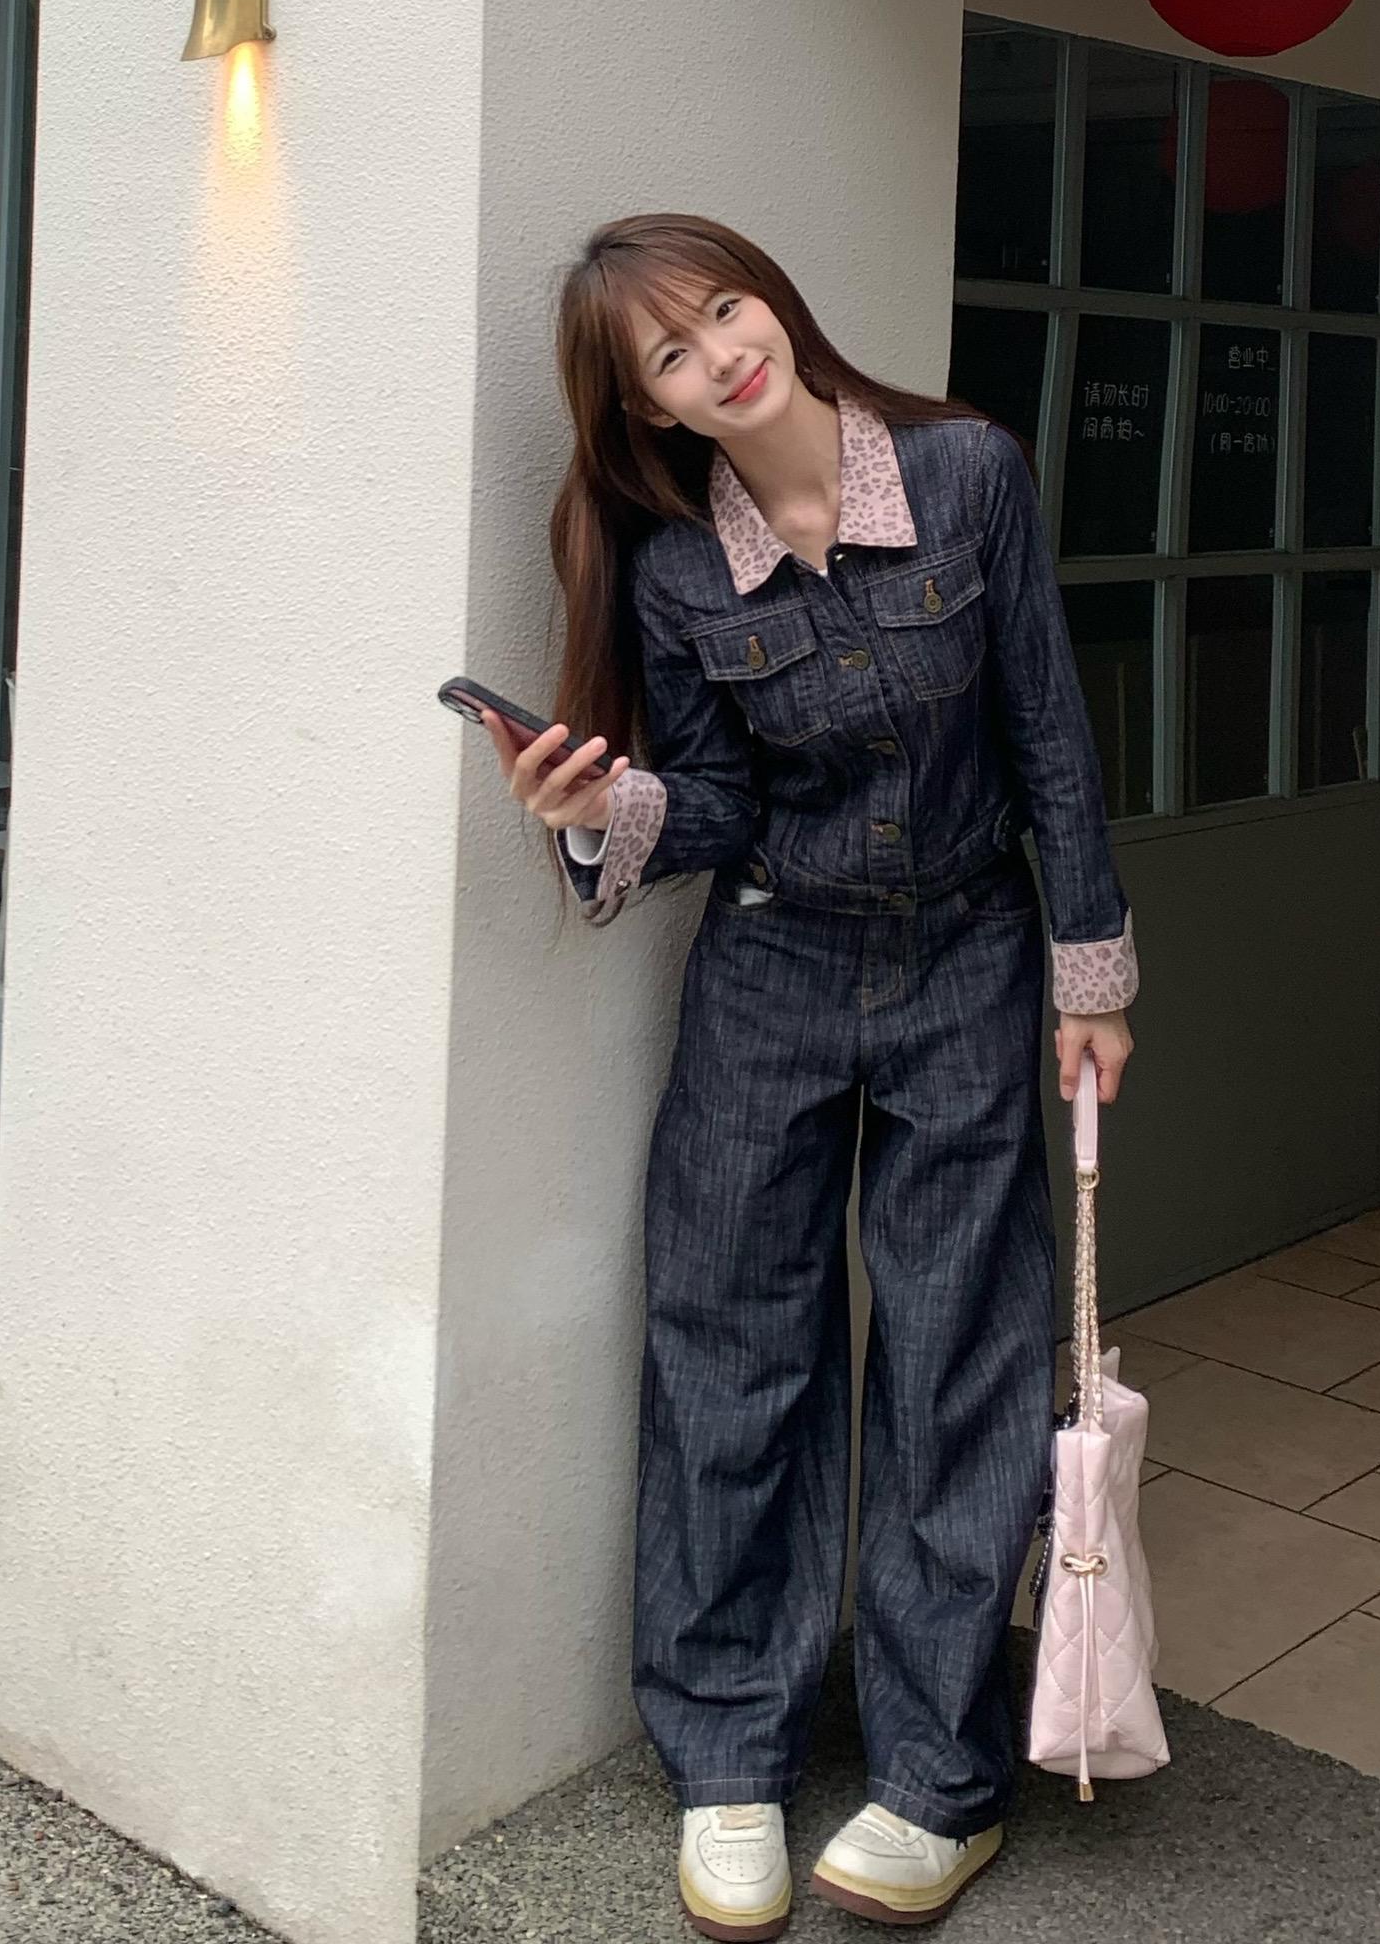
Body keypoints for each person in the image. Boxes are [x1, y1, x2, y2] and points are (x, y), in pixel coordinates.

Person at [484, 213, 1136, 1939]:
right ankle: (729, 1758)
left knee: (958, 1360)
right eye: (673, 355)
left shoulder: (967, 474)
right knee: (732, 1352)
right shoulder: (672, 571)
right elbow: (714, 806)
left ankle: (937, 1782)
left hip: (970, 959)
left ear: (769, 296)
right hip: (769, 970)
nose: (723, 353)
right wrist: (601, 811)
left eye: (724, 307)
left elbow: (1047, 728)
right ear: (652, 409)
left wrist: (1091, 969)